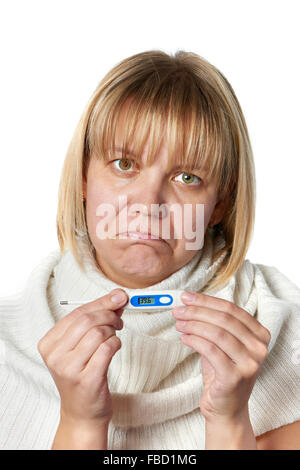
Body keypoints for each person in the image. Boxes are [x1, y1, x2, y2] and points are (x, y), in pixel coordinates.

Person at [0, 49, 300, 450]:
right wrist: (80, 425)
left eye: (187, 176)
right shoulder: (7, 345)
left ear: (221, 204)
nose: (149, 203)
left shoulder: (282, 332)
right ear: (84, 177)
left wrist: (229, 422)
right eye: (125, 164)